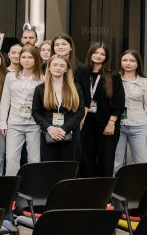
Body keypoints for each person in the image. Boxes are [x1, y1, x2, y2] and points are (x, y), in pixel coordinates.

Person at [79, 43, 124, 177]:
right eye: (96, 52)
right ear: (90, 53)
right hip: (86, 124)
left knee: (105, 161)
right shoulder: (82, 73)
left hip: (107, 124)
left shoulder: (113, 75)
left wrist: (112, 122)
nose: (98, 56)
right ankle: (88, 187)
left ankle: (105, 189)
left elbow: (119, 101)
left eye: (102, 54)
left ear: (106, 57)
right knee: (86, 160)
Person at [0, 44, 44, 175]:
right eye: (23, 57)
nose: (26, 60)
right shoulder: (10, 76)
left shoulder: (43, 78)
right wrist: (3, 122)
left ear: (36, 59)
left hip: (34, 124)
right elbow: (5, 100)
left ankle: (33, 185)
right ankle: (12, 186)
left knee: (34, 159)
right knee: (11, 158)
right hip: (14, 123)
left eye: (30, 57)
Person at [32, 54, 85, 163]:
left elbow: (80, 111)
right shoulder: (40, 89)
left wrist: (64, 128)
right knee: (50, 169)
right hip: (49, 135)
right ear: (49, 68)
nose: (58, 68)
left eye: (62, 65)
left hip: (70, 134)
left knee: (69, 169)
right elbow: (36, 112)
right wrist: (49, 128)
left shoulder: (76, 87)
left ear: (66, 69)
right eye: (55, 65)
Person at [116, 50, 147, 171]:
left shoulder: (144, 82)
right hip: (118, 126)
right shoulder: (114, 79)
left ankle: (140, 184)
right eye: (125, 60)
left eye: (132, 60)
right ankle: (115, 183)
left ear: (138, 63)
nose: (128, 63)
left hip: (139, 126)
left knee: (141, 161)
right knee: (116, 162)